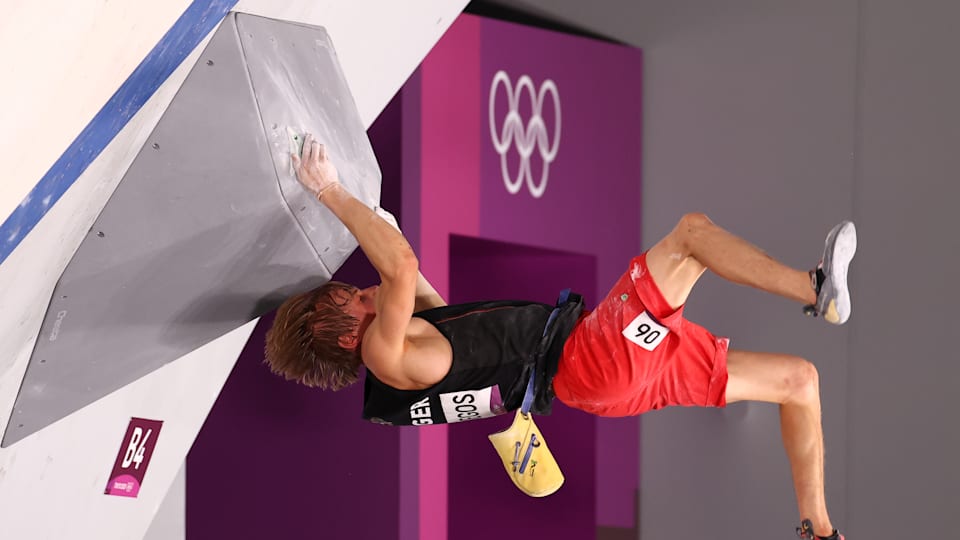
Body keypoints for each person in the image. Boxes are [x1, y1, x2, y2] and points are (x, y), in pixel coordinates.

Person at [264, 134, 855, 540]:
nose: (364, 290)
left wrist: (380, 223)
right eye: (355, 299)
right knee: (691, 237)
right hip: (591, 359)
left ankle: (817, 528)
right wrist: (329, 191)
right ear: (344, 338)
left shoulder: (420, 345)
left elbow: (419, 287)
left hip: (612, 383)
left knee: (799, 382)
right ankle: (815, 288)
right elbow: (398, 266)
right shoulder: (381, 352)